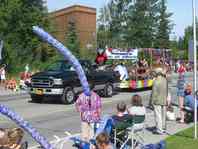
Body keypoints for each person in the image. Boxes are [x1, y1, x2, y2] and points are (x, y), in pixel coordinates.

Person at [150, 67, 168, 134]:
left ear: (157, 73)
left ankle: (159, 129)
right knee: (163, 115)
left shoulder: (156, 81)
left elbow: (154, 93)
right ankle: (163, 128)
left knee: (158, 115)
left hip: (157, 100)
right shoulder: (165, 80)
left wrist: (152, 102)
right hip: (164, 99)